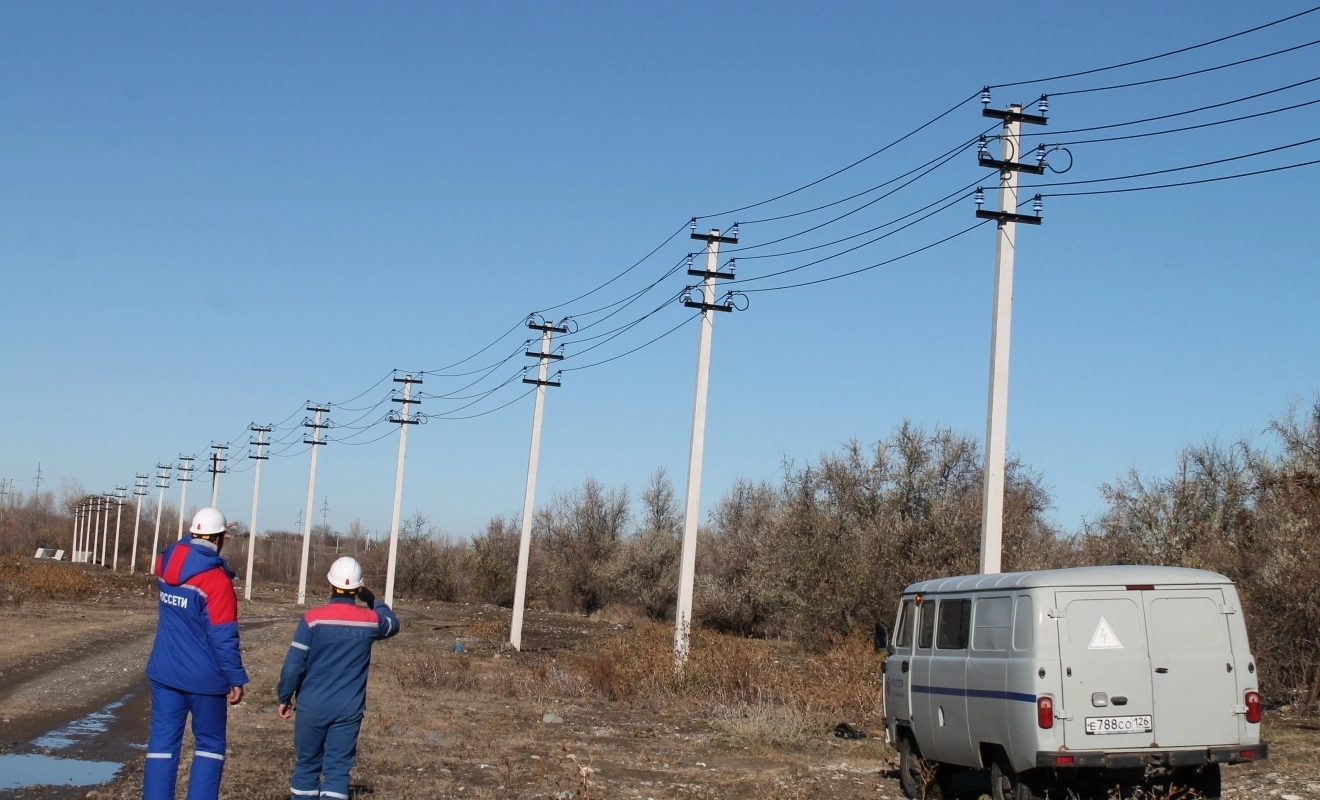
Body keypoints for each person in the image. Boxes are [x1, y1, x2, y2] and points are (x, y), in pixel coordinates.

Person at [143, 507, 249, 800]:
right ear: (220, 539)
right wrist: (235, 678)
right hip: (206, 679)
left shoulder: (165, 563)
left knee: (162, 745)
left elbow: (181, 546)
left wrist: (205, 531)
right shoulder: (216, 581)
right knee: (209, 746)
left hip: (165, 673)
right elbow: (223, 636)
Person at [277, 556, 399, 800]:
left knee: (307, 765)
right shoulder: (370, 622)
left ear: (330, 584)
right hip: (348, 709)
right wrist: (372, 600)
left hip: (312, 705)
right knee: (337, 771)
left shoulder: (312, 619)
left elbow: (293, 666)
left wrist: (284, 696)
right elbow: (393, 624)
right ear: (358, 588)